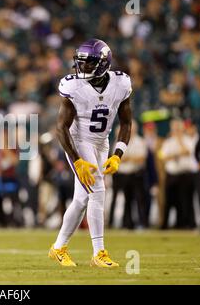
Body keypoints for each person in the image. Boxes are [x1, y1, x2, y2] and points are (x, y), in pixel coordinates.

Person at [49, 38, 133, 267]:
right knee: (97, 191)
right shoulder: (73, 86)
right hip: (78, 141)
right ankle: (99, 253)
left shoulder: (121, 83)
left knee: (81, 198)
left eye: (89, 62)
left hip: (101, 142)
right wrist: (77, 162)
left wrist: (117, 154)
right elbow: (61, 128)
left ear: (104, 63)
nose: (82, 67)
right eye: (81, 62)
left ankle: (58, 248)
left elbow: (126, 123)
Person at [159, 119, 198, 229]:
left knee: (185, 201)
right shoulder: (168, 142)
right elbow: (163, 156)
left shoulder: (187, 140)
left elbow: (187, 151)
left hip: (185, 174)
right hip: (172, 174)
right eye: (174, 128)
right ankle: (165, 224)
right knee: (169, 200)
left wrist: (179, 140)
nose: (176, 130)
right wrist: (176, 155)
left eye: (178, 127)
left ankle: (186, 223)